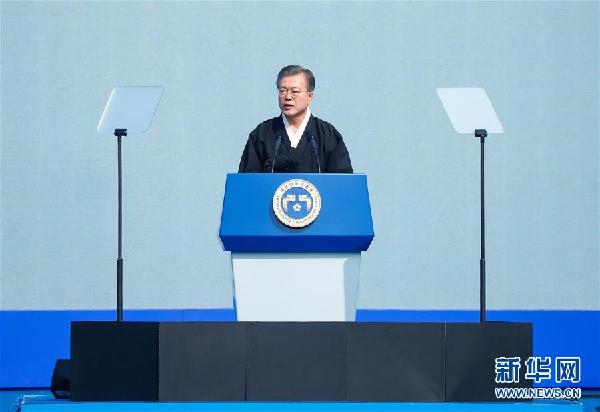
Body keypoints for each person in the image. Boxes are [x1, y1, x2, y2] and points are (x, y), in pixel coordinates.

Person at [238, 65, 353, 173]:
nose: (288, 97)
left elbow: (342, 182)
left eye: (295, 91)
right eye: (283, 91)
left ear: (310, 96)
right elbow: (247, 181)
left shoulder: (327, 135)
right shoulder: (262, 134)